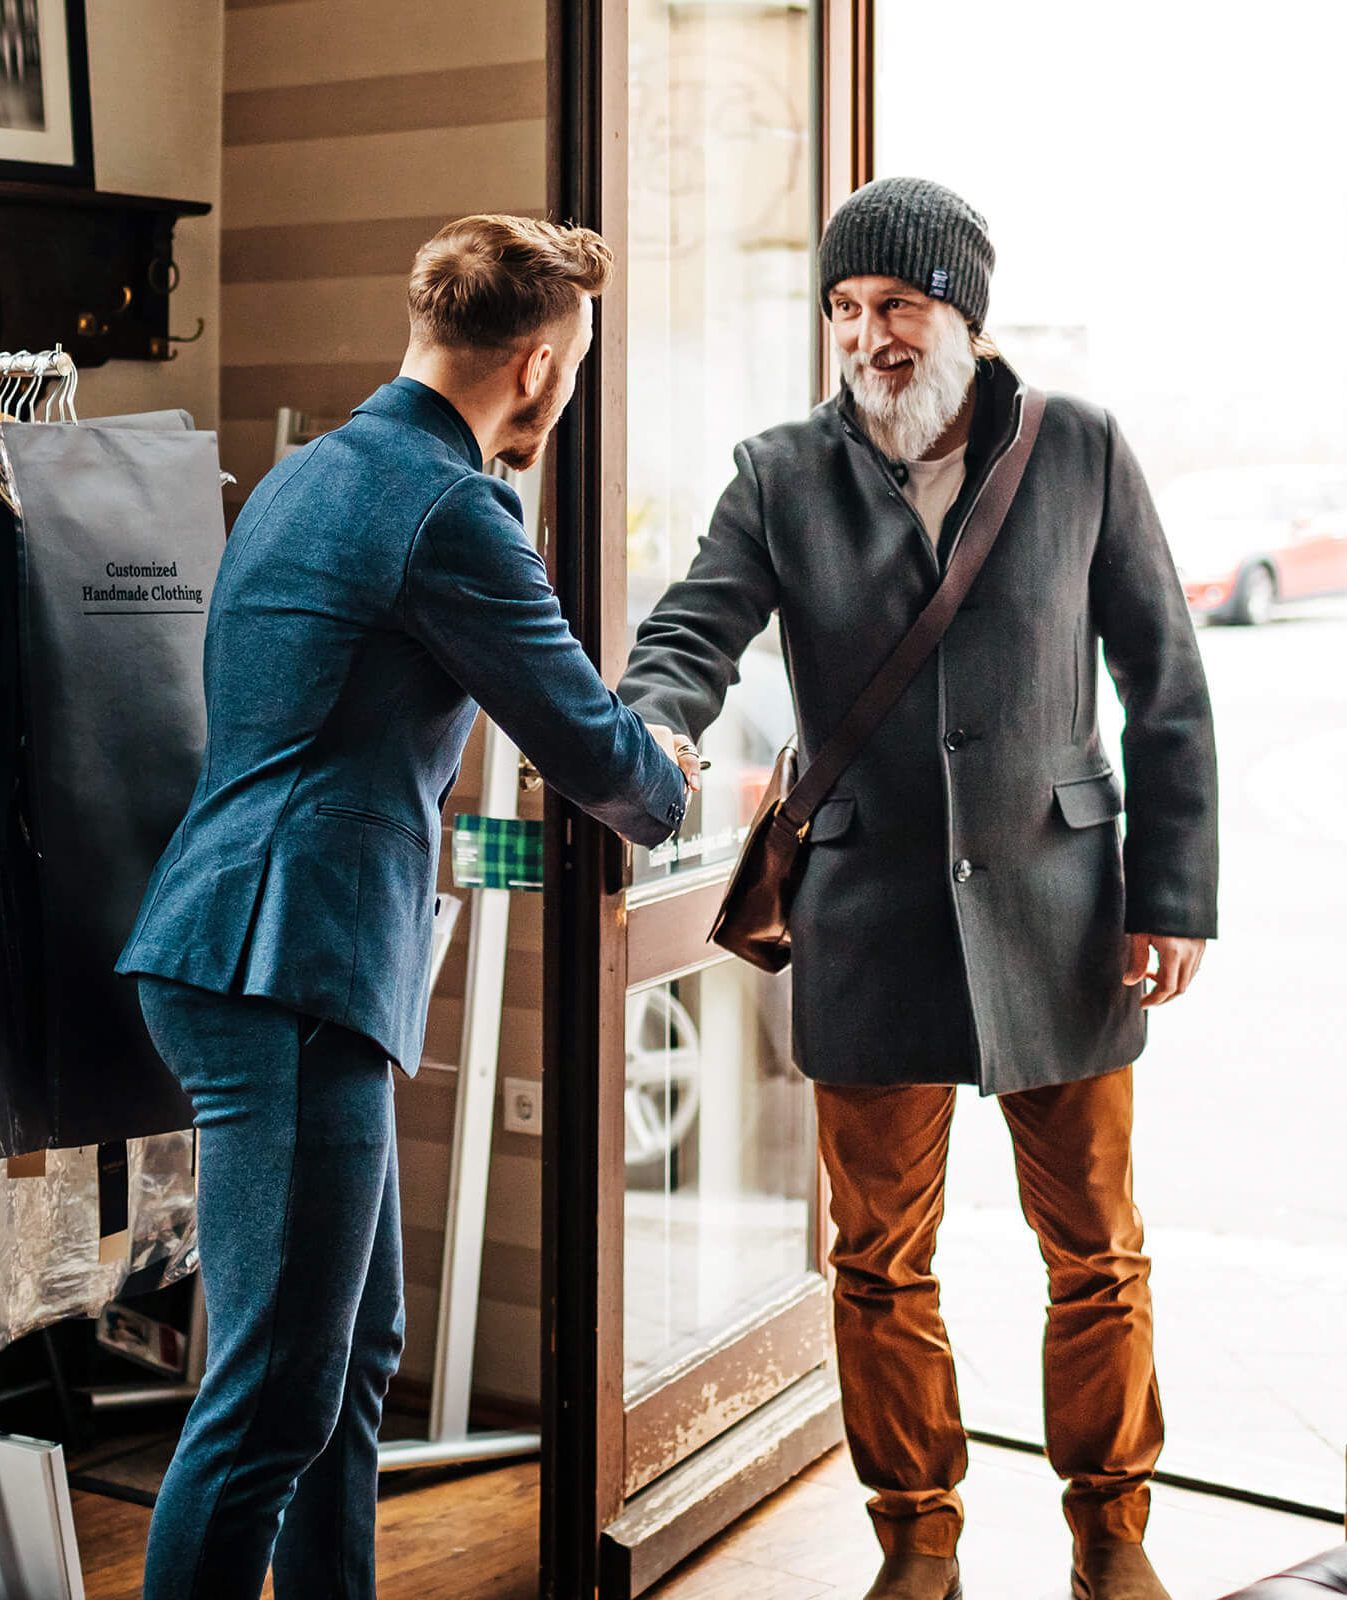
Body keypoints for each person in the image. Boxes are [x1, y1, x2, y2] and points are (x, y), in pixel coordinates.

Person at [620, 176, 1219, 1600]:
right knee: (880, 1263)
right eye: (842, 307)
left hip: (1066, 918)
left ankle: (1110, 1526)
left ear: (963, 311)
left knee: (1099, 1254)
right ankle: (918, 1538)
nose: (866, 334)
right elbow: (691, 632)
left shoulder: (1078, 451)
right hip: (867, 923)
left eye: (895, 304)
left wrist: (1175, 894)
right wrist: (653, 720)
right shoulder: (779, 473)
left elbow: (1170, 686)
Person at [117, 214, 699, 1600]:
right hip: (289, 965)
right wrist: (668, 770)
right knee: (267, 1402)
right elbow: (603, 761)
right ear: (542, 369)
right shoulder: (452, 508)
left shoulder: (306, 472)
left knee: (349, 1361)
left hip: (242, 944)